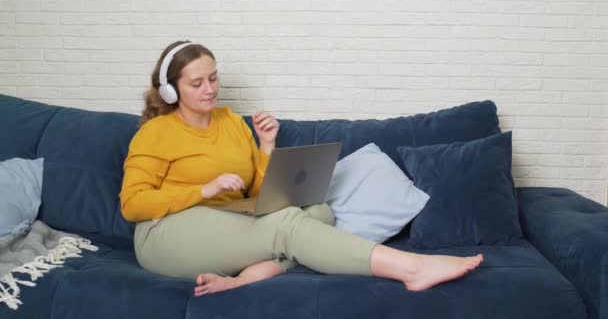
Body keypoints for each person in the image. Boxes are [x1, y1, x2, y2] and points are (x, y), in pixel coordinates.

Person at [119, 40, 484, 297]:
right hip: (164, 234)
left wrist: (266, 147)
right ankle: (412, 269)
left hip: (223, 221)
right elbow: (132, 204)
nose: (210, 89)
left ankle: (247, 278)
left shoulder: (230, 121)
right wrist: (203, 191)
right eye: (196, 83)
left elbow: (255, 196)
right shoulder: (157, 133)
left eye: (213, 78)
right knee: (290, 227)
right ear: (170, 91)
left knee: (319, 211)